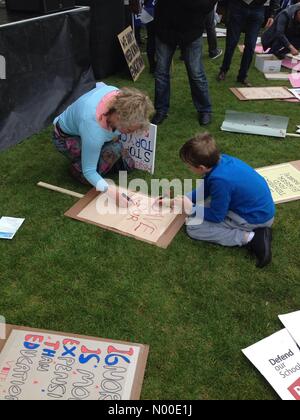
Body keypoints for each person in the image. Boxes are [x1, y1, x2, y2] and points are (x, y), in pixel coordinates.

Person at [159, 133, 275, 268]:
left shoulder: (220, 181)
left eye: (189, 166)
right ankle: (252, 234)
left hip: (255, 219)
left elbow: (217, 216)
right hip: (257, 210)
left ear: (201, 168)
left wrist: (191, 208)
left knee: (193, 227)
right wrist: (180, 200)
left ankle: (251, 238)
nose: (188, 169)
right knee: (200, 207)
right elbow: (205, 191)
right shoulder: (221, 161)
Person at [53, 84, 154, 203]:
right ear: (120, 118)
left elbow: (99, 84)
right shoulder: (93, 129)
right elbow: (89, 171)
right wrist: (113, 194)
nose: (132, 133)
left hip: (88, 128)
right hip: (66, 138)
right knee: (113, 150)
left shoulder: (119, 97)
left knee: (127, 165)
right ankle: (76, 169)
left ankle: (100, 153)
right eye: (130, 130)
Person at [151, 0, 218, 127]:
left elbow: (208, 4)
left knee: (196, 72)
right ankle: (161, 110)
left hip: (191, 30)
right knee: (161, 73)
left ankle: (204, 109)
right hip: (165, 29)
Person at [217, 0, 280, 86]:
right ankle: (224, 70)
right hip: (238, 6)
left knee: (250, 45)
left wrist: (272, 15)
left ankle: (242, 76)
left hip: (257, 9)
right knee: (231, 42)